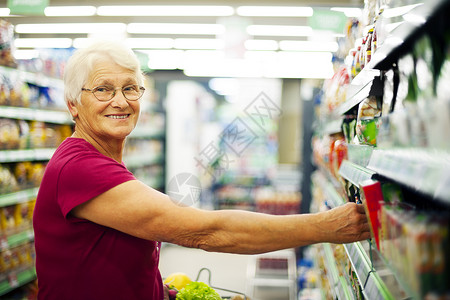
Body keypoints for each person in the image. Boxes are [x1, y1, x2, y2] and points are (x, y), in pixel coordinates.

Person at [33, 40, 370, 300]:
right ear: (73, 104)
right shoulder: (79, 167)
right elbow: (205, 231)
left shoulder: (101, 161)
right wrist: (325, 226)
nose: (120, 101)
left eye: (130, 88)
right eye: (103, 89)